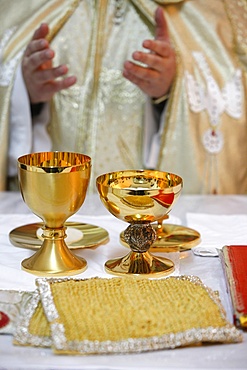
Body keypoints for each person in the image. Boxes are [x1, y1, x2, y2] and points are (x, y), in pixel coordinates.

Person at [0, 0, 246, 194]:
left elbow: (223, 80)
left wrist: (170, 88)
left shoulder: (206, 8)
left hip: (144, 209)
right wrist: (25, 90)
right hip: (46, 201)